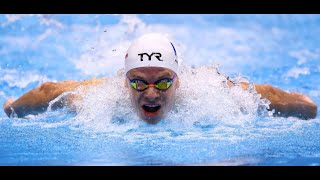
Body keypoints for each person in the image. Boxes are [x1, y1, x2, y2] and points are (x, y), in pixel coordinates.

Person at [3, 33, 318, 124]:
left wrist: (303, 106)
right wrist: (10, 108)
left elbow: (262, 95)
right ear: (125, 82)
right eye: (139, 82)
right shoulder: (101, 99)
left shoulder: (207, 94)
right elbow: (49, 92)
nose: (151, 92)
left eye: (164, 81)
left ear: (179, 81)